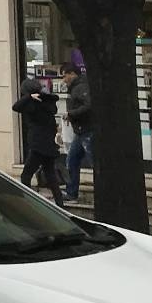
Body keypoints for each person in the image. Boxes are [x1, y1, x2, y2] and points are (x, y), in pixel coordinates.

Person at [14, 77, 68, 206]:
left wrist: (28, 97)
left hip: (38, 145)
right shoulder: (48, 101)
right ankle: (59, 203)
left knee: (26, 176)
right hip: (49, 144)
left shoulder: (32, 104)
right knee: (50, 175)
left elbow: (16, 107)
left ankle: (27, 203)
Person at [63, 67, 95, 203]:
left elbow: (88, 106)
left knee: (93, 162)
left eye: (65, 76)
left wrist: (71, 114)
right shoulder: (77, 87)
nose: (64, 80)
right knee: (72, 160)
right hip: (81, 130)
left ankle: (72, 192)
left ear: (72, 74)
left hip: (87, 130)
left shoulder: (81, 87)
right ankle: (71, 192)